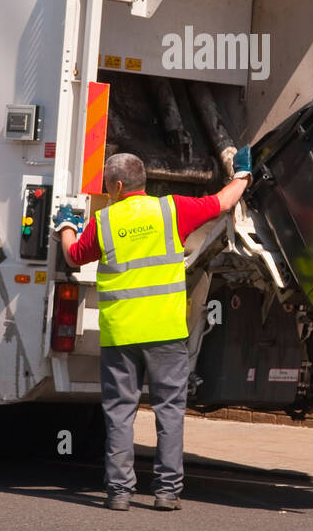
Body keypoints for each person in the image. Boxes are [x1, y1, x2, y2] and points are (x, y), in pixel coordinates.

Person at [53, 148, 253, 511]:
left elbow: (73, 256)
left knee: (119, 412)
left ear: (115, 185)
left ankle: (118, 493)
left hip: (121, 336)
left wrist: (66, 225)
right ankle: (166, 492)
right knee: (170, 411)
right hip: (165, 332)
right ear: (143, 180)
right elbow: (223, 202)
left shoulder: (104, 222)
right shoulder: (171, 209)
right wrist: (242, 174)